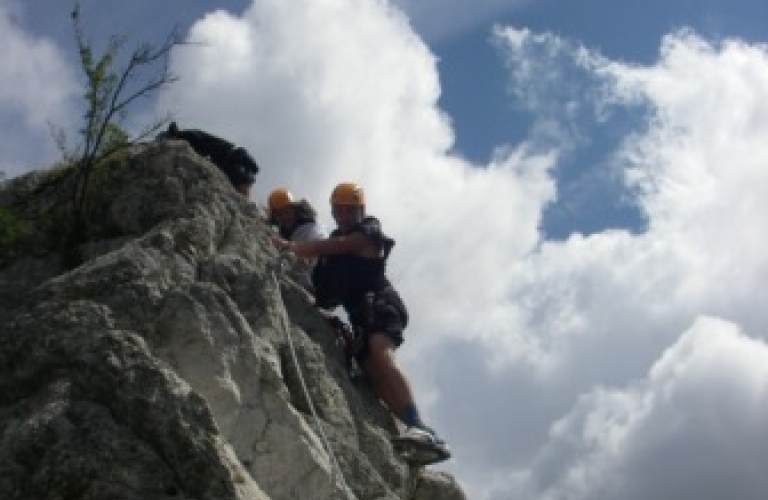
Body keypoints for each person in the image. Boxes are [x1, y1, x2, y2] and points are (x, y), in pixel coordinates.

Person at [270, 182, 450, 464]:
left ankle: (418, 425)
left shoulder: (367, 233)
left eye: (349, 210)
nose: (343, 216)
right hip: (360, 318)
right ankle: (418, 431)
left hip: (380, 303)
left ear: (360, 211)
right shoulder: (333, 252)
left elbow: (340, 246)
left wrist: (292, 247)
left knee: (381, 351)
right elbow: (326, 296)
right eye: (339, 211)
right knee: (374, 379)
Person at [157, 122, 259, 197]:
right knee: (241, 194)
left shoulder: (187, 136)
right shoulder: (189, 135)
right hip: (226, 162)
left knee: (241, 193)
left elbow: (199, 152)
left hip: (227, 162)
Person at [268, 187, 327, 288]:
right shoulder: (285, 234)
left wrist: (304, 256)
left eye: (287, 211)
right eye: (279, 214)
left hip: (318, 283)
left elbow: (320, 247)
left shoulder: (311, 228)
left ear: (295, 210)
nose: (284, 217)